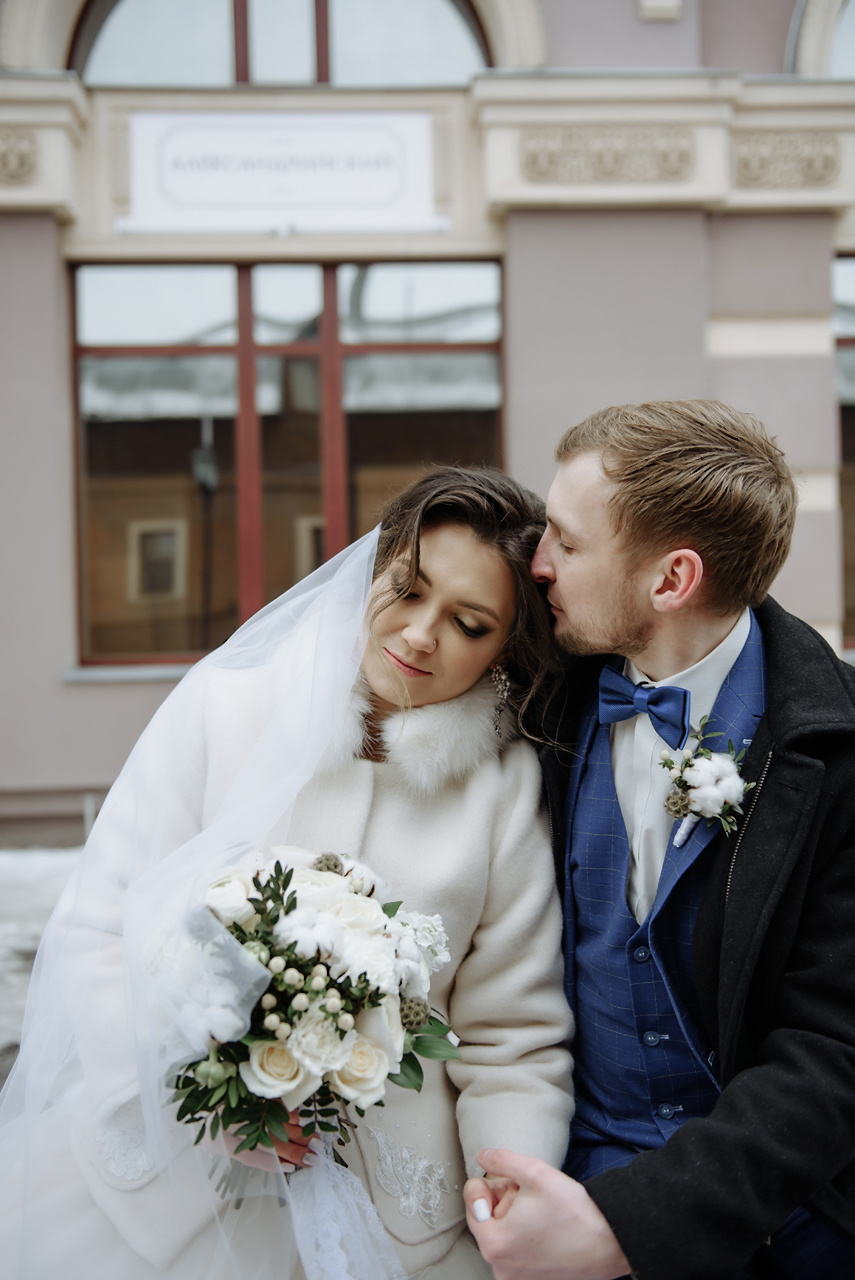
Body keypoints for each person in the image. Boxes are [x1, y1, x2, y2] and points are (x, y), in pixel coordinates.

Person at [0, 467, 574, 1280]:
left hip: (400, 1223)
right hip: (164, 1192)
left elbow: (509, 1037)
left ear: (505, 650)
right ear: (373, 570)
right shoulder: (223, 707)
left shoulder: (505, 791)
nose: (418, 635)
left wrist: (508, 1182)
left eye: (468, 623)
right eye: (407, 591)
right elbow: (99, 930)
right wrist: (206, 1097)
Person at [464, 401, 855, 1280]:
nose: (536, 563)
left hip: (793, 1217)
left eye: (565, 541)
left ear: (670, 579)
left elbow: (836, 1051)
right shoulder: (525, 693)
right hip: (563, 1177)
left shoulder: (839, 749)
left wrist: (626, 1229)